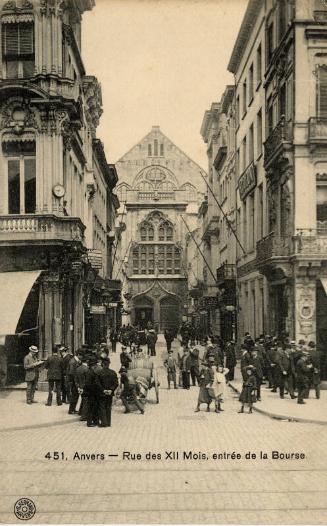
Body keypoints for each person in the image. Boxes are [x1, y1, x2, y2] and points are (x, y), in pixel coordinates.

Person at [97, 356, 119, 427]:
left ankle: (104, 423)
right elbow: (116, 383)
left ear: (103, 364)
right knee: (108, 407)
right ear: (109, 364)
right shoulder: (113, 373)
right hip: (109, 394)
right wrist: (111, 390)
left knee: (102, 407)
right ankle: (108, 422)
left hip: (102, 393)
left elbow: (97, 383)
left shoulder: (99, 373)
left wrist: (103, 390)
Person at [83, 356, 101, 427]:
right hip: (91, 392)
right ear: (92, 365)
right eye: (94, 365)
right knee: (91, 407)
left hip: (92, 392)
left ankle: (95, 421)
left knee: (94, 407)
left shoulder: (90, 371)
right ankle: (89, 422)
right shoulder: (90, 373)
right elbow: (88, 384)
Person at [75, 355, 89, 421]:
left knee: (83, 399)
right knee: (85, 401)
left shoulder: (77, 369)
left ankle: (80, 412)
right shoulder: (87, 369)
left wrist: (78, 387)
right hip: (85, 387)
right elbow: (87, 380)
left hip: (79, 387)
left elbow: (76, 379)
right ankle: (83, 416)